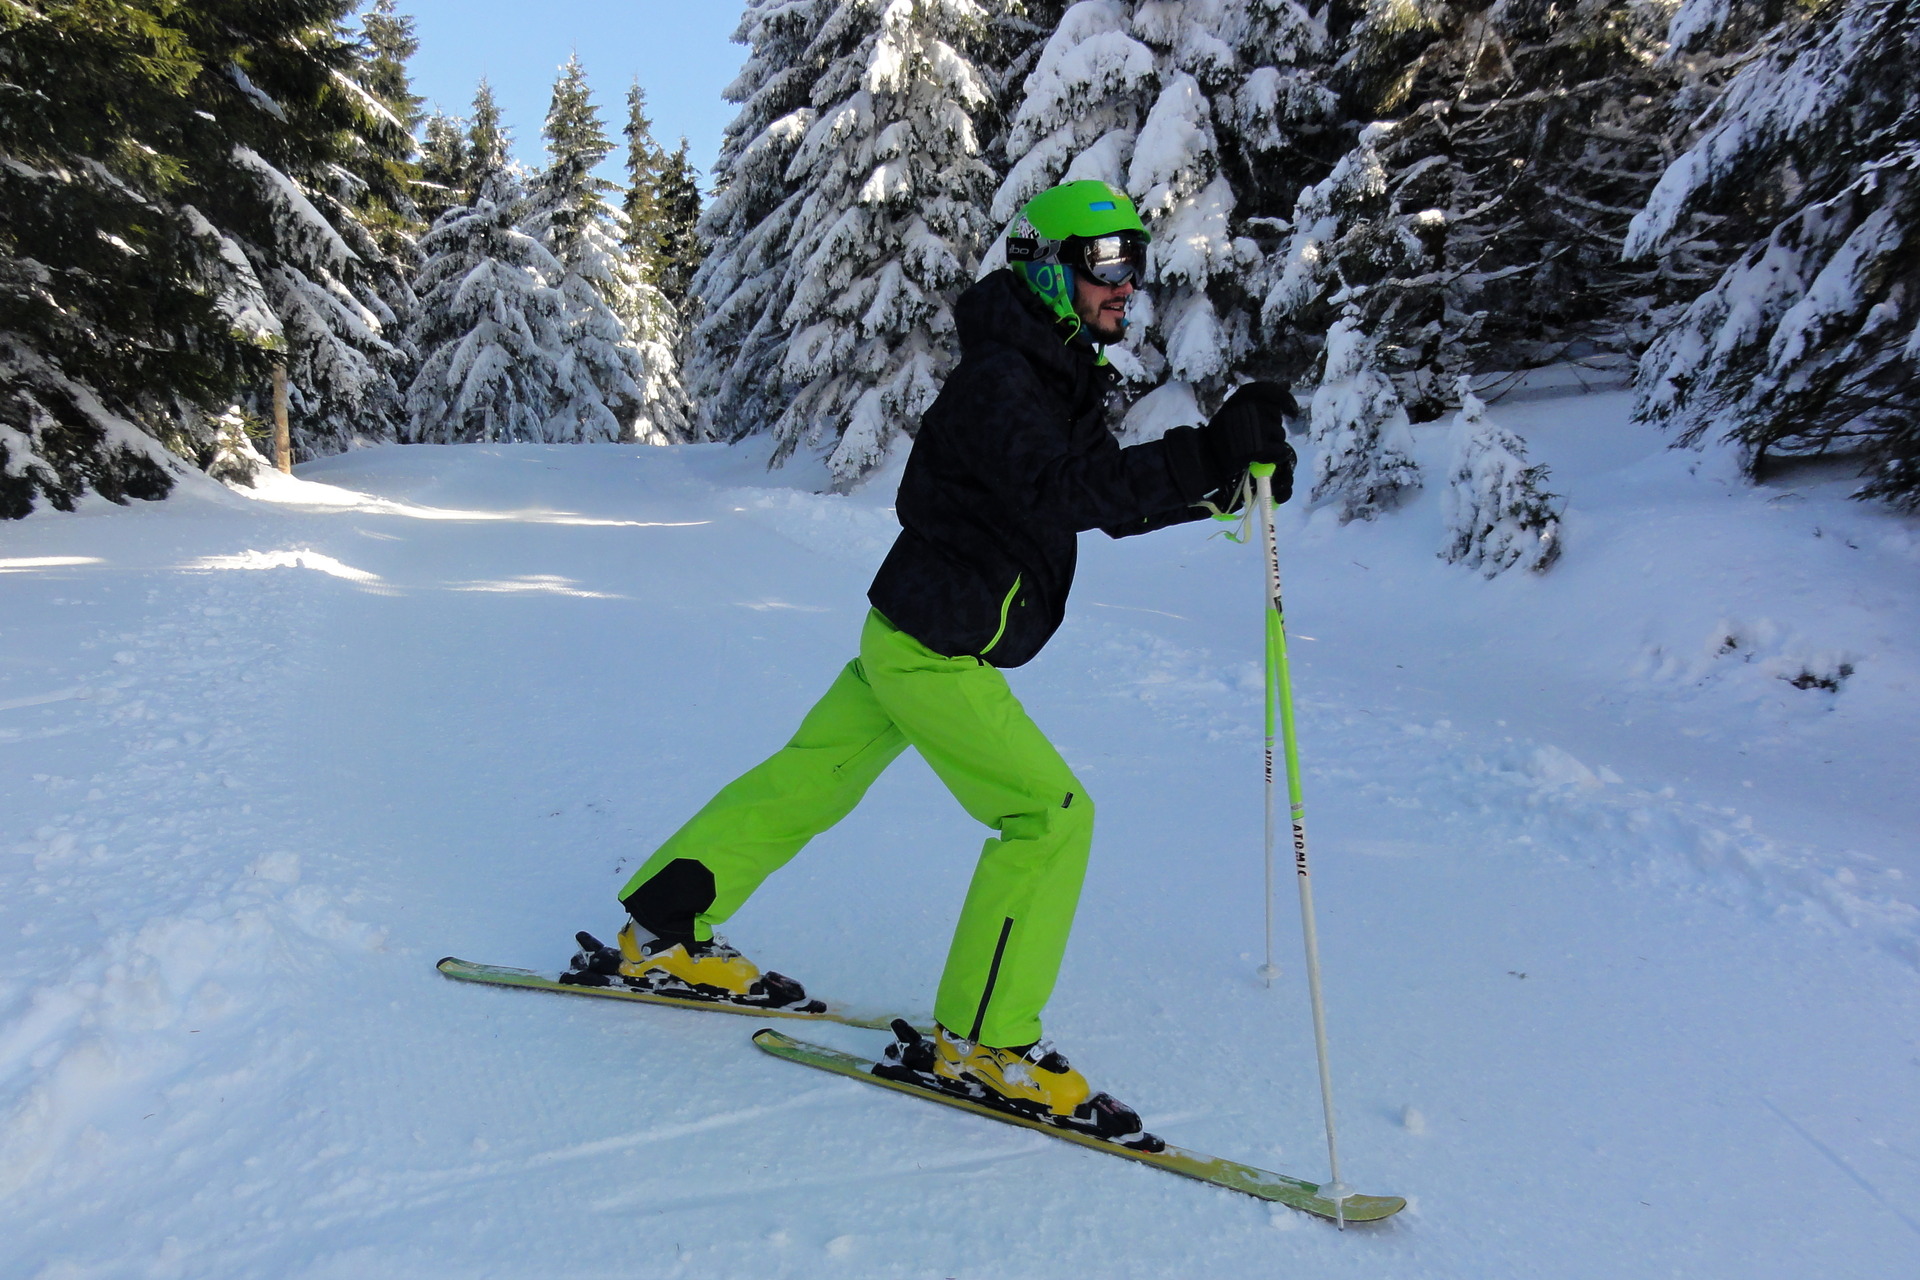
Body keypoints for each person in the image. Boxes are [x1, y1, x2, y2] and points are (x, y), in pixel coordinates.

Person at [573, 179, 1295, 1136]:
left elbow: (1093, 500)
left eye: (1137, 263)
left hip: (909, 631)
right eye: (1108, 262)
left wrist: (1220, 481)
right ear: (1051, 267)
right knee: (1049, 818)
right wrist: (1203, 457)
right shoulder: (1005, 380)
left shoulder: (1047, 370)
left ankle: (660, 931)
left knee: (808, 782)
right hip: (934, 649)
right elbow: (1070, 486)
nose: (1129, 284)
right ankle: (987, 1043)